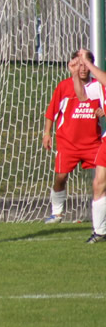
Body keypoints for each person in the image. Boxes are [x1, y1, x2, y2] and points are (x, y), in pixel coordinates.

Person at [42, 51, 103, 224]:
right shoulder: (64, 86)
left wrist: (102, 112)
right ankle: (57, 213)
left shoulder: (97, 86)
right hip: (68, 143)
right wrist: (47, 133)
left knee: (101, 178)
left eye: (86, 65)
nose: (83, 69)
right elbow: (51, 112)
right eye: (80, 65)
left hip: (92, 142)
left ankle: (100, 217)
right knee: (61, 177)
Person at [72, 49, 106, 243]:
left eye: (87, 64)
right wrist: (76, 73)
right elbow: (83, 95)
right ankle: (100, 231)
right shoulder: (98, 86)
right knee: (98, 184)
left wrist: (88, 63)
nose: (85, 67)